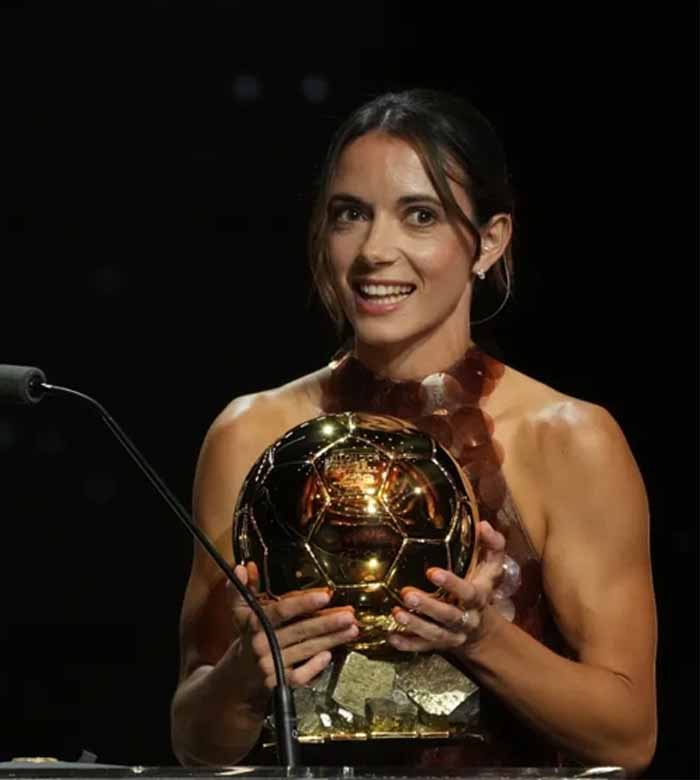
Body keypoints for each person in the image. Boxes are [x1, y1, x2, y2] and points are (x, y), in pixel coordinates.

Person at [170, 89, 657, 775]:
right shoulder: (252, 435)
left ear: (490, 241)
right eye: (350, 214)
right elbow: (193, 740)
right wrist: (244, 677)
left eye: (420, 216)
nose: (375, 250)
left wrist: (481, 637)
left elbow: (629, 738)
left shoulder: (567, 440)